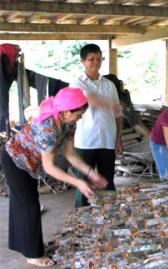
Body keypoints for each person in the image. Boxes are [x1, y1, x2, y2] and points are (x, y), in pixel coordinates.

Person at [1, 87, 108, 267]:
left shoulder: (68, 123)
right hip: (14, 159)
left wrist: (91, 173)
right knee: (29, 205)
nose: (79, 118)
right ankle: (33, 254)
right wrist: (78, 182)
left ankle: (27, 245)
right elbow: (49, 167)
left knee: (24, 203)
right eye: (78, 115)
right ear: (67, 112)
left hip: (29, 162)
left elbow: (70, 154)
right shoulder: (48, 128)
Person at [70, 44, 123, 208]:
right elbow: (89, 100)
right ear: (83, 61)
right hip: (86, 142)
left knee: (107, 180)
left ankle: (109, 215)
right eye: (91, 59)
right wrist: (109, 104)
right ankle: (80, 220)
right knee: (84, 182)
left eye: (99, 59)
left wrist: (118, 138)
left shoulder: (109, 85)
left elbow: (118, 115)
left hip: (107, 140)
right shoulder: (76, 84)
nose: (95, 62)